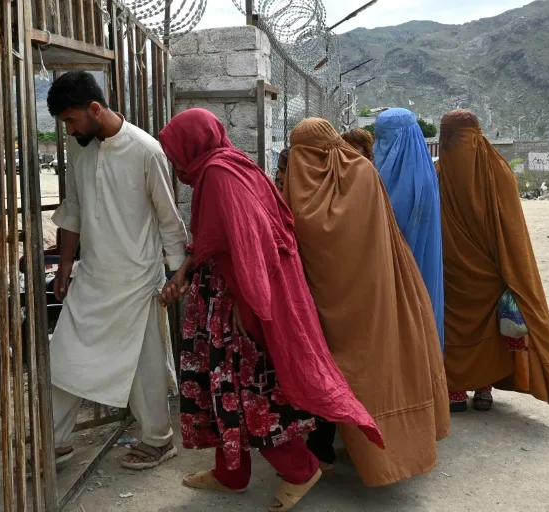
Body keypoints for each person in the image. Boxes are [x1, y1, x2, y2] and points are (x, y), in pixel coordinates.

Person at [158, 108, 383, 511]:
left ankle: (301, 469)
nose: (174, 162)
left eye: (175, 153)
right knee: (222, 392)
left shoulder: (220, 175)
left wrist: (248, 310)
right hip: (225, 297)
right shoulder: (230, 164)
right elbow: (218, 237)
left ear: (191, 145)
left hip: (237, 305)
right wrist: (186, 272)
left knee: (250, 398)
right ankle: (232, 473)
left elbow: (251, 244)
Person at [282, 118, 448, 487]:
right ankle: (374, 448)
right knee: (370, 368)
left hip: (324, 298)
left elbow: (302, 233)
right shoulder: (364, 173)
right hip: (373, 293)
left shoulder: (300, 181)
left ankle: (328, 449)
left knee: (328, 366)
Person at [46, 71, 187, 469]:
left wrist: (177, 274)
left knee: (143, 366)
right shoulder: (80, 151)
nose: (70, 131)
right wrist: (64, 267)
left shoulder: (146, 150)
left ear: (95, 109)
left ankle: (159, 440)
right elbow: (72, 211)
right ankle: (54, 442)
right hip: (92, 277)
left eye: (72, 121)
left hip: (138, 281)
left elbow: (167, 218)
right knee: (65, 356)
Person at [437, 109, 549, 413]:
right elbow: (513, 235)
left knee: (455, 327)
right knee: (487, 330)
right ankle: (483, 389)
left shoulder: (439, 173)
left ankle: (456, 389)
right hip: (490, 271)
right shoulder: (499, 172)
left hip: (452, 271)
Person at [374, 108, 444, 350]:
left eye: (384, 138)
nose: (379, 145)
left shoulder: (410, 180)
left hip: (402, 265)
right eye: (378, 137)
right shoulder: (426, 173)